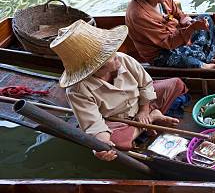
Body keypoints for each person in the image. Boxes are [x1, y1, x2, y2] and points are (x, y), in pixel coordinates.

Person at [50, 20, 189, 161]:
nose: (117, 55)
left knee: (176, 84)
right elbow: (95, 125)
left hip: (140, 105)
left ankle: (148, 118)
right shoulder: (77, 91)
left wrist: (144, 110)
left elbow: (146, 85)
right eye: (110, 56)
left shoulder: (123, 59)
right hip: (117, 120)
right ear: (96, 67)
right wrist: (102, 145)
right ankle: (152, 119)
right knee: (116, 144)